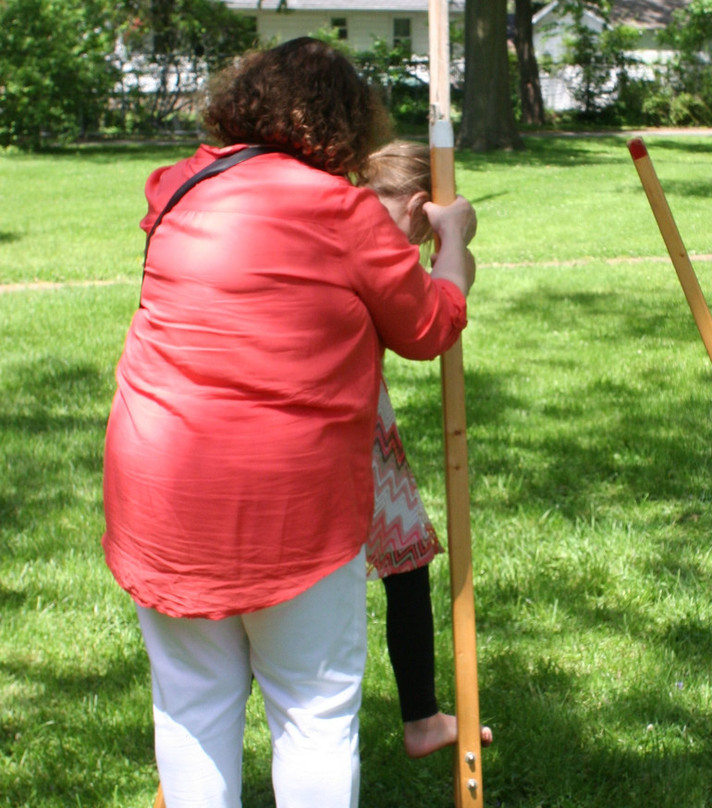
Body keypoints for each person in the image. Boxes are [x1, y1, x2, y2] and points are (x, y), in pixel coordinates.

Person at [101, 39, 476, 807]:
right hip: (288, 503)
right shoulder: (339, 209)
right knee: (312, 712)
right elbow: (428, 326)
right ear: (348, 121)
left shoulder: (181, 187)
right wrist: (455, 251)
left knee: (192, 706)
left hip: (159, 482)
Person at [363, 141, 491, 758]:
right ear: (417, 208)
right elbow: (432, 323)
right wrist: (453, 241)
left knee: (406, 562)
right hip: (345, 426)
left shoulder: (336, 218)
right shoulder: (373, 242)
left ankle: (421, 717)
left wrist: (452, 247)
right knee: (399, 564)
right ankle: (418, 718)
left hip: (351, 415)